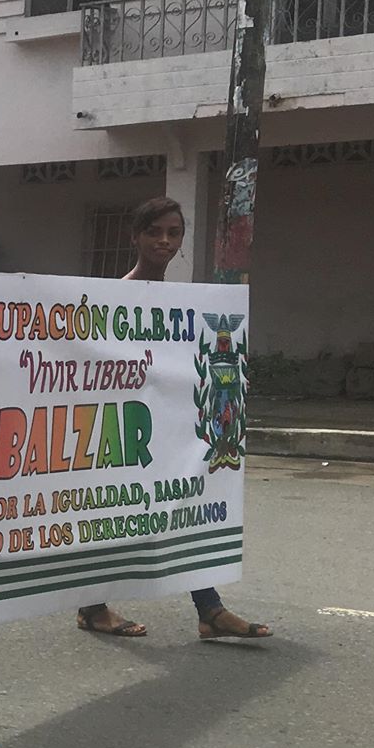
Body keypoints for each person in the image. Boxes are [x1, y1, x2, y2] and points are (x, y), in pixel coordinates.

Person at [75, 197, 271, 644]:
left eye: (173, 233)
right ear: (135, 237)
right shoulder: (116, 298)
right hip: (127, 432)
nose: (164, 241)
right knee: (117, 517)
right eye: (154, 232)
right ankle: (93, 606)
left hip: (171, 431)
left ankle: (209, 610)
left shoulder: (184, 304)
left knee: (184, 512)